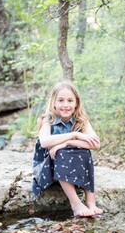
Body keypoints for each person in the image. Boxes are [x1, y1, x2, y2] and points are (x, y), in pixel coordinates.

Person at [32, 81, 103, 217]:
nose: (65, 105)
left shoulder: (81, 120)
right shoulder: (47, 120)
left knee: (84, 152)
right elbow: (45, 142)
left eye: (70, 100)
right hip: (49, 169)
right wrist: (75, 135)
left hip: (73, 169)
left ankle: (90, 200)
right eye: (61, 100)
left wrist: (67, 142)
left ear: (76, 103)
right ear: (53, 102)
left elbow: (95, 144)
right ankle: (76, 204)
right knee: (62, 153)